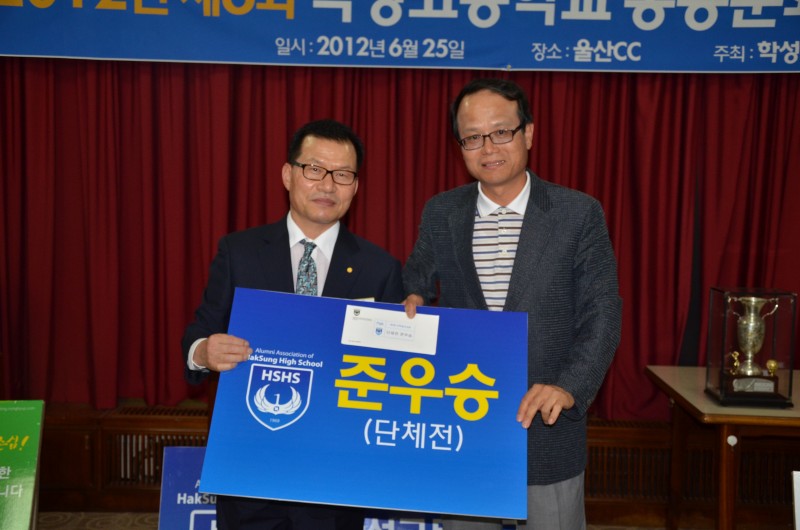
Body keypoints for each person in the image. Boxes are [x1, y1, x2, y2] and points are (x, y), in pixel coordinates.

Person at [403, 78, 622, 530]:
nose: (488, 148)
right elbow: (417, 278)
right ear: (460, 146)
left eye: (501, 132)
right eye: (473, 137)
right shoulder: (441, 212)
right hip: (464, 423)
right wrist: (413, 299)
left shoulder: (578, 213)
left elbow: (602, 312)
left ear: (529, 133)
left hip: (546, 425)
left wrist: (569, 386)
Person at [183, 119, 405, 530]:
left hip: (335, 477)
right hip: (250, 466)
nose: (328, 185)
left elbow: (394, 374)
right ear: (288, 175)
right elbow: (200, 331)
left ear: (356, 186)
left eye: (342, 174)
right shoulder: (239, 252)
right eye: (314, 169)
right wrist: (204, 352)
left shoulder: (381, 269)